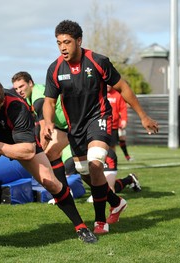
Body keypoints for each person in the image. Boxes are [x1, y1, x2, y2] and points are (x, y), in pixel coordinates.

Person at [43, 20, 159, 235]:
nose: (62, 47)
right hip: (75, 128)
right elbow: (49, 101)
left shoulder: (97, 61)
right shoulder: (55, 68)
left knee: (96, 166)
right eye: (59, 43)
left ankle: (99, 222)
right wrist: (48, 121)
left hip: (99, 118)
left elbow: (122, 87)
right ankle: (116, 202)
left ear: (79, 40)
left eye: (67, 42)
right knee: (85, 172)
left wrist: (143, 116)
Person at [0, 79, 97, 245]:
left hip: (19, 143)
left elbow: (28, 151)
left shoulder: (17, 107)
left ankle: (80, 226)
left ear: (2, 102)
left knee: (51, 183)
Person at [12, 71, 70, 188]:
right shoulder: (29, 97)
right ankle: (64, 189)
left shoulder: (38, 99)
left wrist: (38, 153)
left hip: (75, 124)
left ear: (30, 83)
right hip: (63, 127)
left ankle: (109, 189)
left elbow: (45, 130)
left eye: (21, 86)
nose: (19, 91)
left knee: (85, 165)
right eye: (16, 88)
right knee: (51, 154)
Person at [64, 148, 141, 203]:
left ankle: (129, 179)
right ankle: (130, 179)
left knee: (109, 191)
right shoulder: (70, 163)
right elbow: (65, 181)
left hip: (106, 156)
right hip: (85, 158)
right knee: (100, 187)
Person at [107, 85, 132, 161]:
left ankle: (112, 162)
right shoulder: (101, 93)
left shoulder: (117, 95)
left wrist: (124, 119)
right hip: (102, 123)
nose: (107, 86)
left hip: (114, 125)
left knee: (112, 145)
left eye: (109, 84)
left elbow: (123, 108)